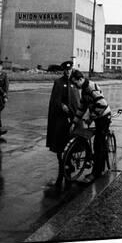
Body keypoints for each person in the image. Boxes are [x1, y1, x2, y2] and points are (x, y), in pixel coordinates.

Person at [69, 69, 112, 182]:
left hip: (103, 117)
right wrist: (74, 122)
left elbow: (102, 105)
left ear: (81, 79)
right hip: (97, 116)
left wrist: (91, 117)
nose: (75, 85)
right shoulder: (83, 89)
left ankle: (97, 173)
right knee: (94, 141)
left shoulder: (91, 88)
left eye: (75, 82)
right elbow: (82, 108)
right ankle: (94, 161)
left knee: (99, 144)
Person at [46, 60, 80, 189]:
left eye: (69, 70)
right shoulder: (58, 83)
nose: (68, 72)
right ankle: (62, 166)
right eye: (66, 70)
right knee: (60, 144)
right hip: (61, 119)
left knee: (72, 142)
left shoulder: (75, 82)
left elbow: (77, 99)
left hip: (73, 118)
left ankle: (69, 163)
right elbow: (55, 99)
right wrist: (61, 105)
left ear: (72, 69)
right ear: (63, 71)